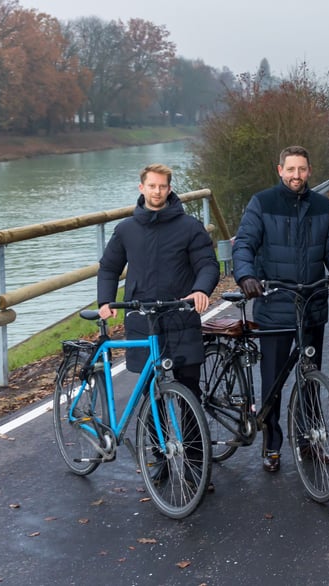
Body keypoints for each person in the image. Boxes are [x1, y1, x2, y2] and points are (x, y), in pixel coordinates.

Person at [97, 164, 219, 489]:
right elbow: (109, 267)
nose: (157, 192)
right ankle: (161, 459)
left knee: (189, 395)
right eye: (151, 186)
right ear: (141, 188)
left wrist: (201, 290)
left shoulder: (190, 227)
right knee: (152, 397)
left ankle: (196, 466)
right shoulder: (126, 230)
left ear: (169, 189)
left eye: (162, 187)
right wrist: (105, 302)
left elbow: (208, 264)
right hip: (142, 323)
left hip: (181, 319)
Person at [232, 146, 329, 473]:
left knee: (310, 379)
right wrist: (246, 276)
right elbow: (244, 244)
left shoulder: (322, 206)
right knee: (273, 383)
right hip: (274, 306)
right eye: (290, 170)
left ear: (309, 171)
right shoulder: (262, 203)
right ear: (280, 169)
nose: (296, 176)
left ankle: (309, 441)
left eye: (302, 170)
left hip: (311, 305)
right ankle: (272, 444)